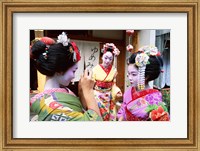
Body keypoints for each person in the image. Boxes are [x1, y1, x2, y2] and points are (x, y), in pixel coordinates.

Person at [30, 32, 102, 121]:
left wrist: (81, 92)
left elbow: (78, 111)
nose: (74, 76)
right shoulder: (52, 109)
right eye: (74, 71)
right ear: (60, 70)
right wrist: (88, 91)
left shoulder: (63, 90)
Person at [117, 45, 170, 121]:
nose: (130, 78)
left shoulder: (155, 98)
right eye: (129, 74)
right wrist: (121, 118)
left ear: (146, 76)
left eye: (134, 74)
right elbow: (122, 110)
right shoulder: (129, 92)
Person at [92, 43, 122, 121]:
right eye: (106, 58)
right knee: (99, 114)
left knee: (109, 114)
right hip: (97, 96)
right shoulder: (95, 69)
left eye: (110, 59)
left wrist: (117, 91)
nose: (107, 61)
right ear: (102, 57)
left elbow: (113, 84)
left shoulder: (114, 70)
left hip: (108, 95)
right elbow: (91, 84)